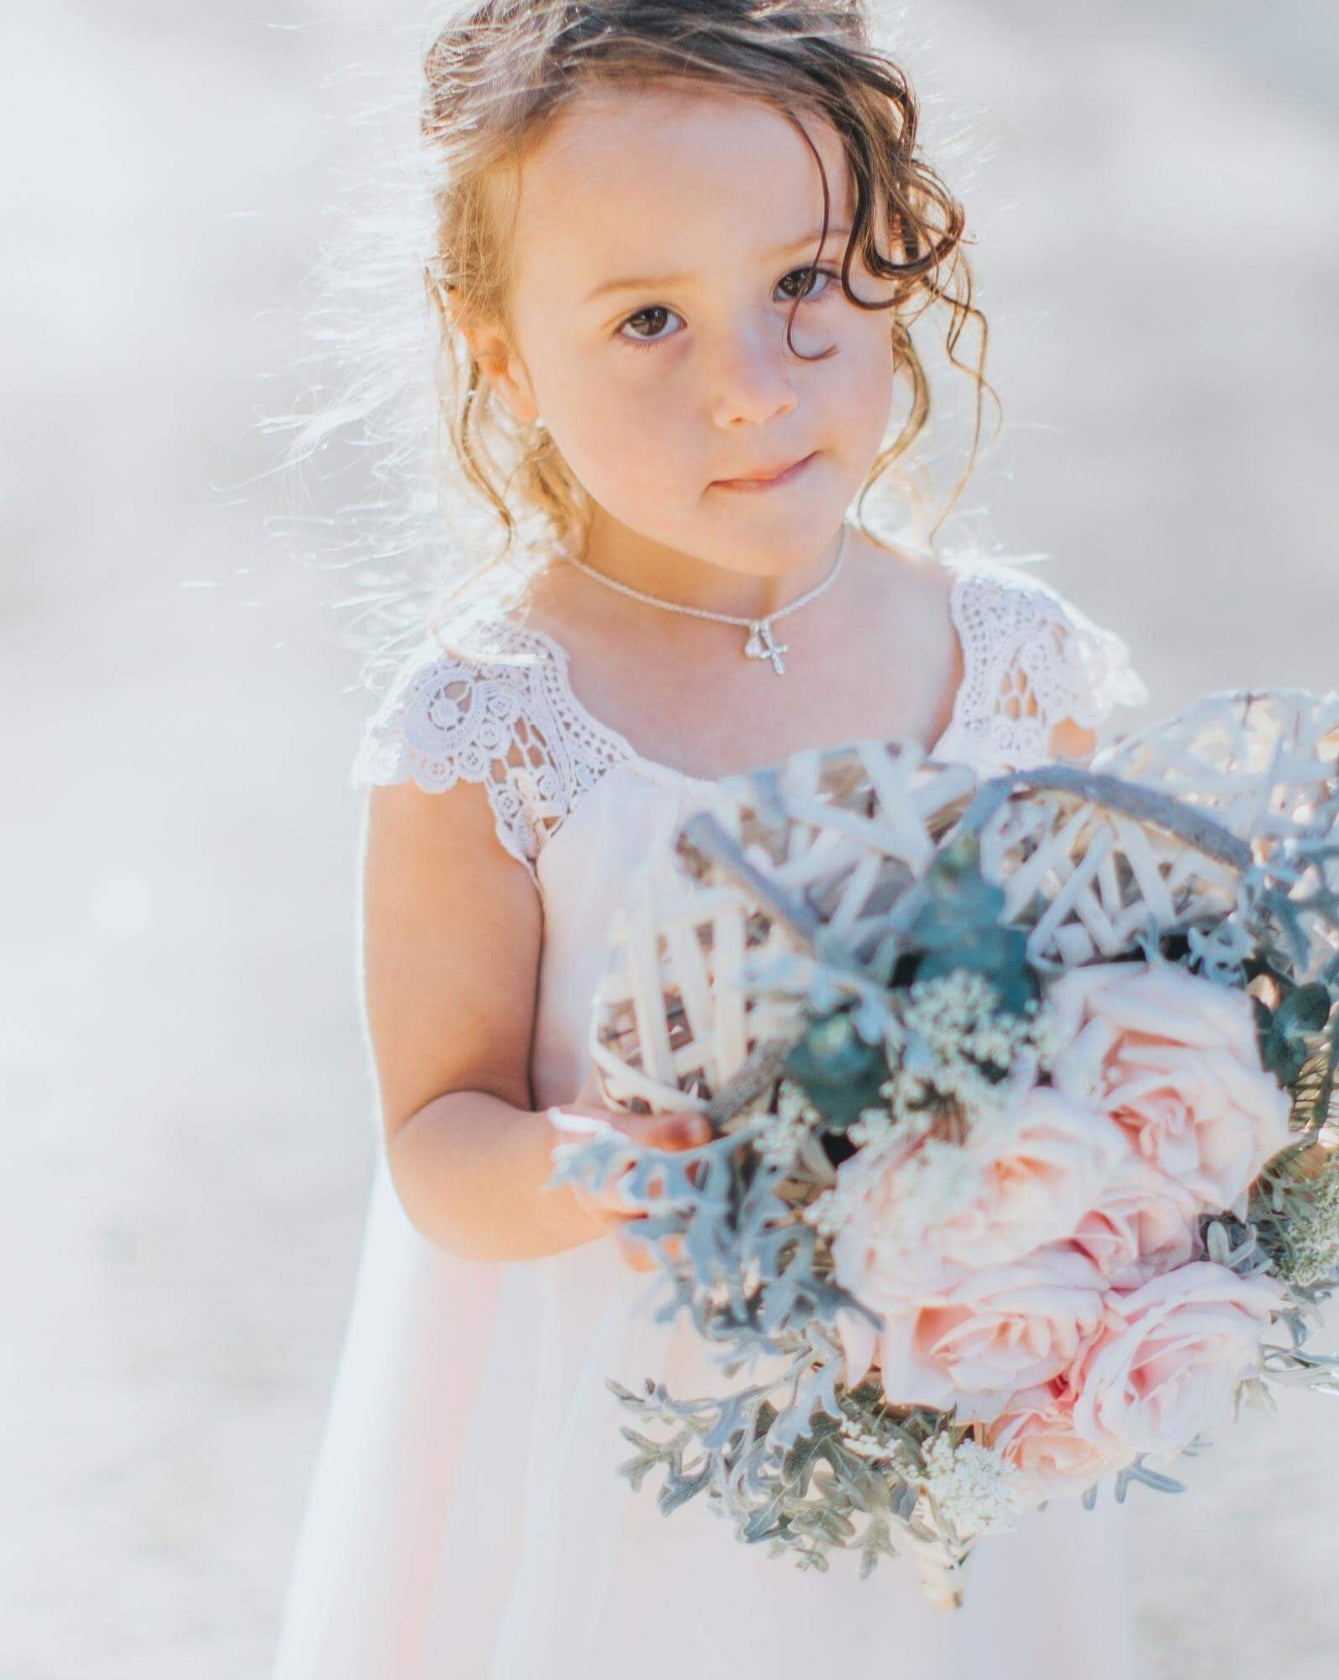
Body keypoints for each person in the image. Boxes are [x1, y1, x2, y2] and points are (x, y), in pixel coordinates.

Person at [273, 2, 1152, 1673]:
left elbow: (1108, 1035)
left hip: (943, 1428)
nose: (750, 389)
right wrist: (618, 1157)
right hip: (616, 1456)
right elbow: (438, 1139)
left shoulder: (1022, 673)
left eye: (804, 284)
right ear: (502, 349)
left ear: (896, 261)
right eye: (651, 319)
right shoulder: (493, 728)